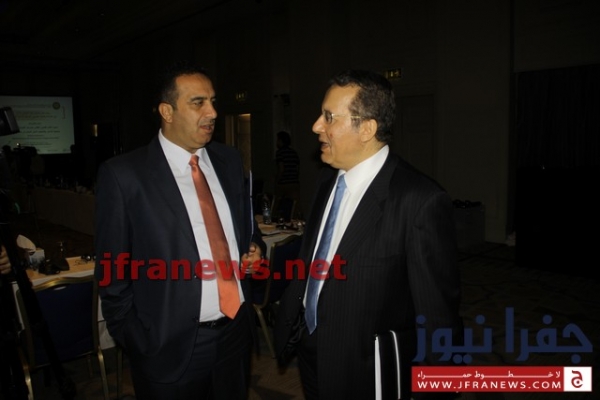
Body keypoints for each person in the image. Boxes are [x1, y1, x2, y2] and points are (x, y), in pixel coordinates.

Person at [274, 70, 463, 399]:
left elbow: (438, 317)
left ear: (367, 129)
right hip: (309, 347)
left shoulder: (419, 200)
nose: (316, 126)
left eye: (329, 117)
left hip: (366, 367)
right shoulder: (326, 181)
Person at [94, 62, 265, 400]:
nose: (212, 112)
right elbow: (112, 274)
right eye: (198, 103)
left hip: (234, 334)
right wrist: (139, 341)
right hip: (167, 346)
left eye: (213, 101)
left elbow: (246, 229)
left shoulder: (228, 160)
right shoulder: (124, 175)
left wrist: (254, 247)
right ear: (167, 111)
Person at [274, 130, 300, 220]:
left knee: (278, 205)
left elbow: (281, 168)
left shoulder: (280, 153)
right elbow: (297, 168)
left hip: (283, 183)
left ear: (281, 141)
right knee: (295, 207)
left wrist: (277, 180)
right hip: (294, 182)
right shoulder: (293, 153)